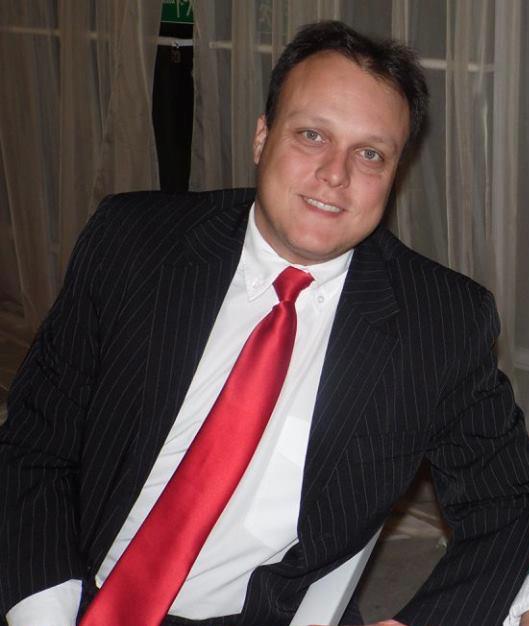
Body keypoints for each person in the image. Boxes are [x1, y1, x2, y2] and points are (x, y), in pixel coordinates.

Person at [1, 20, 529, 626]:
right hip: (69, 586)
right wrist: (45, 613)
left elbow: (508, 504)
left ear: (395, 173)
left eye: (370, 154)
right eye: (311, 135)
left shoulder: (439, 322)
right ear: (262, 137)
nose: (335, 173)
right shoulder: (134, 243)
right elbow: (37, 440)